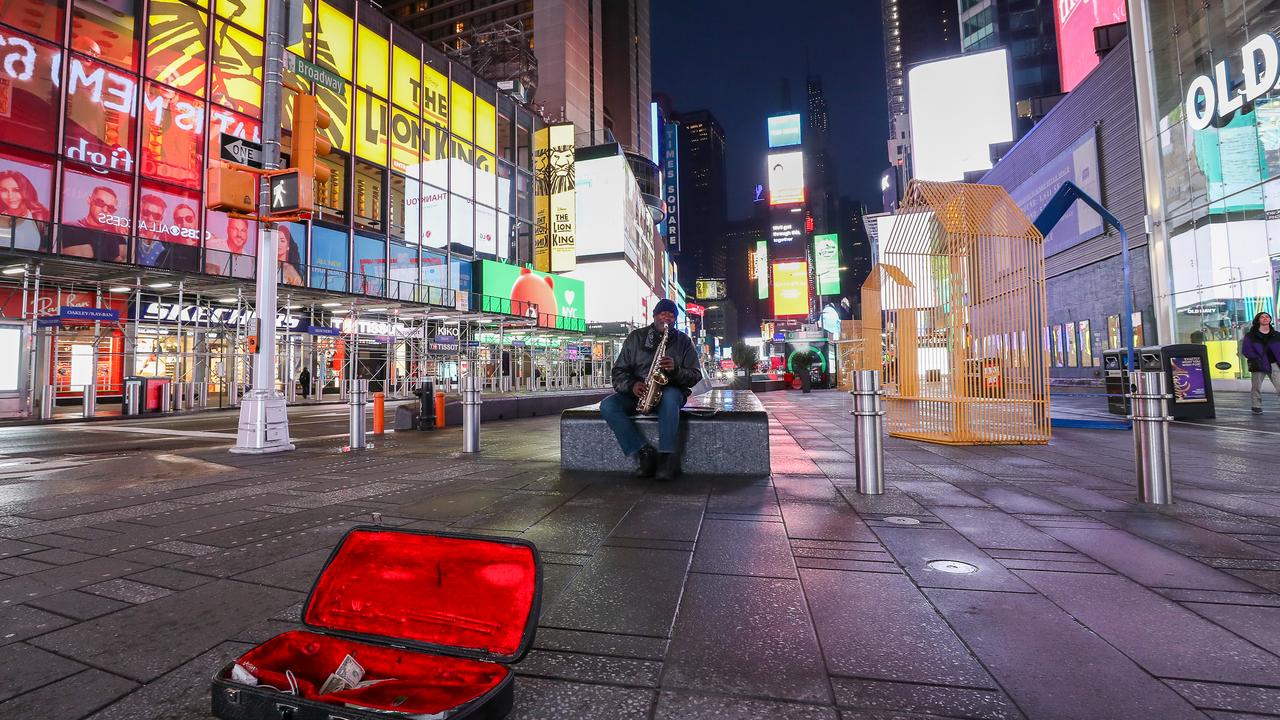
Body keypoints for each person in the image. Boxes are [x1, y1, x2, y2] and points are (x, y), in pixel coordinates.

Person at [599, 298, 702, 481]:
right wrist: (632, 386)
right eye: (663, 313)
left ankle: (666, 458)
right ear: (654, 316)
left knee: (670, 397)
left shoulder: (684, 341)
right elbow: (618, 371)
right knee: (608, 406)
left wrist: (676, 370)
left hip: (671, 390)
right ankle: (643, 452)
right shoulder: (635, 338)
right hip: (640, 392)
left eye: (671, 315)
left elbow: (695, 375)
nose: (667, 317)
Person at [63, 185, 125, 261]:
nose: (105, 210)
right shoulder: (70, 228)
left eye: (110, 207)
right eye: (100, 203)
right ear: (89, 200)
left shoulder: (117, 235)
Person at [0, 170, 50, 251]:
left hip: (30, 263)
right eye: (4, 190)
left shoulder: (41, 215)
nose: (10, 196)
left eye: (16, 190)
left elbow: (47, 248)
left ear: (25, 190)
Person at [1242, 311, 1280, 414]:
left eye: (1267, 317)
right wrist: (1255, 357)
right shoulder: (1251, 336)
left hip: (1274, 364)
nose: (1265, 318)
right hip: (1259, 363)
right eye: (1262, 317)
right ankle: (1256, 406)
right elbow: (1246, 350)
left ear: (1270, 320)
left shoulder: (1276, 335)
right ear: (1258, 320)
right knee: (1256, 386)